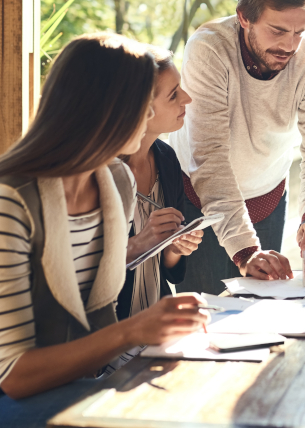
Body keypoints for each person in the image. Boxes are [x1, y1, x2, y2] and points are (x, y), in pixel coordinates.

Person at [0, 33, 209, 428]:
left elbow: (98, 319)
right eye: (144, 106)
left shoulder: (116, 183)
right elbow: (15, 374)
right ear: (106, 110)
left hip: (75, 381)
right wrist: (134, 331)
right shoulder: (6, 201)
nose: (149, 118)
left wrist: (161, 340)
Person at [170, 0, 305, 294]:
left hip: (268, 198)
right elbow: (209, 157)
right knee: (207, 319)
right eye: (278, 30)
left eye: (300, 31)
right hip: (199, 200)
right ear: (244, 17)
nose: (290, 45)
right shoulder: (209, 48)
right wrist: (245, 251)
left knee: (260, 315)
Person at [110, 46, 203, 371]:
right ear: (141, 109)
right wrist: (141, 242)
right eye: (174, 94)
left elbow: (168, 267)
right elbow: (84, 271)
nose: (187, 100)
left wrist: (175, 246)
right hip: (113, 335)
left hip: (156, 326)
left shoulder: (166, 158)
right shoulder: (99, 174)